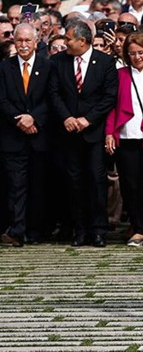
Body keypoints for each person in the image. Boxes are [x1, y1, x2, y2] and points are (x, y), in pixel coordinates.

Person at [48, 19, 118, 247]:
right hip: (68, 133)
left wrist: (88, 119)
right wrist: (67, 117)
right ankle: (79, 230)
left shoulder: (105, 62)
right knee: (73, 181)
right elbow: (54, 93)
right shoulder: (58, 61)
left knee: (97, 181)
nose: (65, 42)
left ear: (82, 40)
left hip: (94, 132)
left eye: (68, 39)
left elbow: (109, 96)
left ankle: (98, 230)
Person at [104, 32, 143, 246]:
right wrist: (110, 132)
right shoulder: (120, 75)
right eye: (132, 53)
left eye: (140, 52)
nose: (137, 57)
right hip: (127, 136)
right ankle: (138, 229)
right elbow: (112, 106)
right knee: (130, 184)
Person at [0, 23, 52, 246]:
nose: (23, 45)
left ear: (36, 42)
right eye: (19, 41)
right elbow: (2, 99)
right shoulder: (5, 67)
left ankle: (37, 230)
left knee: (39, 186)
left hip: (40, 137)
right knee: (16, 186)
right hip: (14, 136)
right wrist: (20, 119)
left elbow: (52, 97)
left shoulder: (47, 66)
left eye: (27, 41)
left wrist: (35, 118)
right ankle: (17, 231)